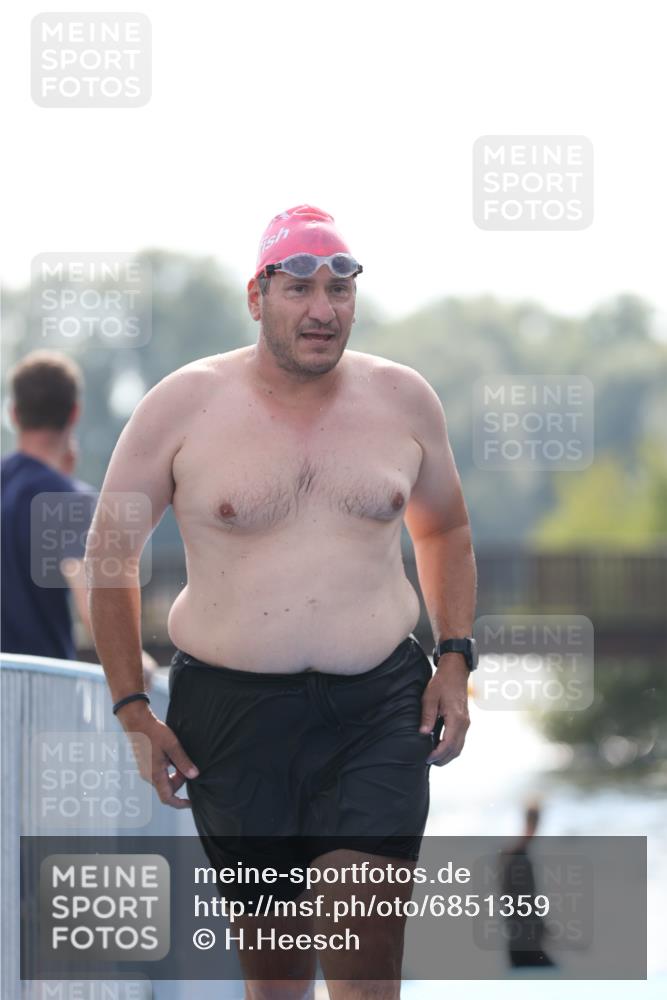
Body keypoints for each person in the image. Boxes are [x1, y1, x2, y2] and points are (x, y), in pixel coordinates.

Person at [87, 205, 477, 999]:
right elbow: (109, 556)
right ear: (257, 296)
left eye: (340, 287)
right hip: (231, 718)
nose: (323, 309)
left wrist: (454, 657)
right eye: (299, 287)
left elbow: (446, 530)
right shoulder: (181, 404)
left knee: (366, 968)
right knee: (277, 980)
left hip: (377, 708)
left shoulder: (403, 399)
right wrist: (131, 706)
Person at [1, 350, 98, 659]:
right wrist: (140, 666)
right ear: (75, 413)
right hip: (45, 691)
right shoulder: (70, 501)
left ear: (14, 414)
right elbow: (94, 610)